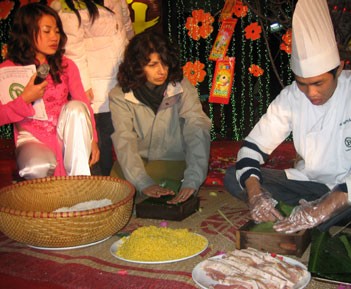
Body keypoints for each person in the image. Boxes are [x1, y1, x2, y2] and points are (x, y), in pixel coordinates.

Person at [224, 0, 351, 233]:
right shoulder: (290, 97)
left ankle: (337, 210)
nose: (311, 93)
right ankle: (349, 212)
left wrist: (330, 203)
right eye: (302, 84)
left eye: (318, 83)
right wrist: (256, 194)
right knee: (234, 176)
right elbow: (250, 148)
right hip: (311, 187)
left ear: (338, 70)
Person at [109, 31, 211, 204]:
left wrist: (192, 180)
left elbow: (197, 129)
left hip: (172, 160)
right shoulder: (119, 95)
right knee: (112, 192)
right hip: (137, 160)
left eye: (165, 63)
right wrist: (142, 182)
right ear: (137, 66)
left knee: (150, 196)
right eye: (153, 64)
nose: (161, 71)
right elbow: (124, 139)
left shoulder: (182, 87)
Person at [0, 3, 99, 179]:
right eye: (47, 31)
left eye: (57, 31)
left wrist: (93, 139)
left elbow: (84, 105)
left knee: (76, 107)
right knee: (38, 166)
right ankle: (47, 202)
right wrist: (24, 99)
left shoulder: (66, 65)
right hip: (32, 137)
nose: (54, 37)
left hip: (66, 134)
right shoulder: (8, 69)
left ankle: (80, 185)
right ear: (27, 32)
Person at [52, 0, 134, 176]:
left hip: (119, 80)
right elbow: (71, 48)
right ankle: (99, 188)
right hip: (94, 89)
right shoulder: (70, 6)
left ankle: (121, 188)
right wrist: (83, 85)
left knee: (122, 137)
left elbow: (127, 27)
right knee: (100, 141)